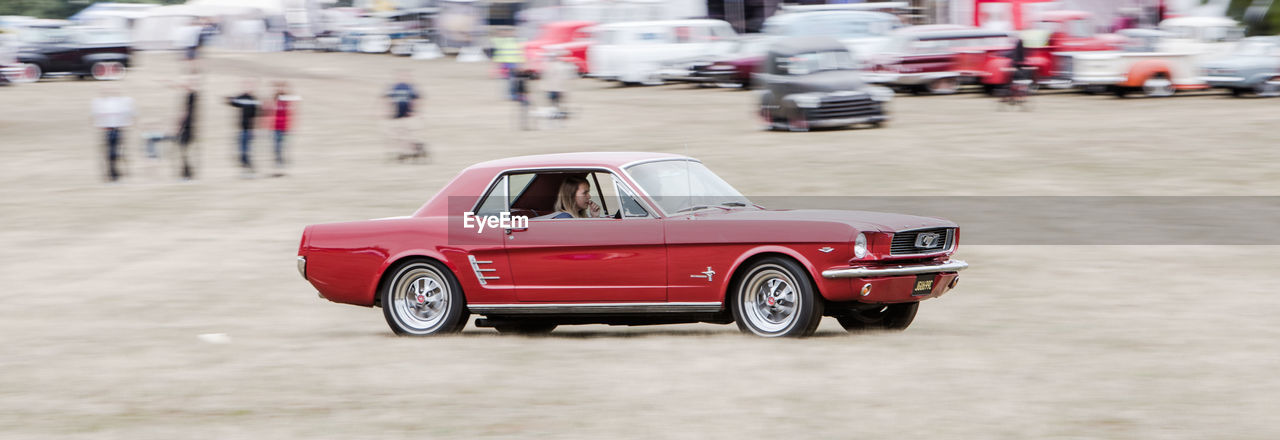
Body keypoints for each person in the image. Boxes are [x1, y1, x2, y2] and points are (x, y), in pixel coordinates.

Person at [91, 86, 135, 182]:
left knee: (118, 153)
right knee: (109, 154)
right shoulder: (101, 103)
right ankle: (112, 174)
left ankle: (120, 173)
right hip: (108, 130)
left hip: (117, 129)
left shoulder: (120, 103)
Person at [385, 70, 426, 161]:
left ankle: (413, 151)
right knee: (397, 135)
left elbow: (417, 99)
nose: (402, 78)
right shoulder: (394, 87)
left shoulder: (410, 88)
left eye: (405, 76)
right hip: (397, 114)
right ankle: (403, 152)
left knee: (407, 134)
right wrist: (388, 111)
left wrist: (417, 112)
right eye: (400, 76)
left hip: (408, 114)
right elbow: (389, 100)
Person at [227, 79, 260, 177]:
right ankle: (247, 170)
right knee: (241, 151)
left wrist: (255, 130)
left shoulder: (254, 99)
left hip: (249, 130)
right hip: (241, 129)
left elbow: (257, 114)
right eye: (245, 86)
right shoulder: (242, 97)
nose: (247, 88)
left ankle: (249, 170)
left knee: (245, 151)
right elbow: (233, 102)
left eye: (249, 86)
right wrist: (229, 99)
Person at [267, 80, 299, 174]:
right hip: (275, 128)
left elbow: (292, 110)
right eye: (278, 87)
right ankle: (278, 165)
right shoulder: (274, 99)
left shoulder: (288, 99)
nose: (280, 89)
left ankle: (282, 166)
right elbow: (270, 113)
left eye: (282, 87)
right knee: (277, 148)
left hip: (285, 128)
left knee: (284, 147)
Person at [175, 74, 199, 180]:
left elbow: (185, 113)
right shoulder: (189, 96)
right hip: (186, 127)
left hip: (189, 128)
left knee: (184, 151)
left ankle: (187, 173)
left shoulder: (193, 95)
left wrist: (179, 126)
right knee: (183, 151)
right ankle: (186, 172)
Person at [541, 51, 575, 120]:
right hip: (560, 88)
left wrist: (544, 87)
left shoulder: (549, 66)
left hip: (552, 88)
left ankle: (555, 114)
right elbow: (565, 77)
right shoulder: (561, 65)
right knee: (559, 102)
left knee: (553, 102)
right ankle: (561, 114)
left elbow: (547, 77)